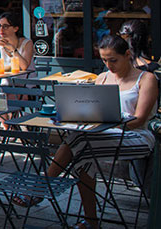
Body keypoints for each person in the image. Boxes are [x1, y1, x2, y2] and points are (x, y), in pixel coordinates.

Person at [14, 35, 158, 229]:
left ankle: (42, 188)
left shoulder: (146, 79)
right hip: (102, 135)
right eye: (104, 60)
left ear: (127, 54)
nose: (109, 65)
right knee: (81, 152)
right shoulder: (103, 78)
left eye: (113, 60)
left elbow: (139, 119)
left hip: (136, 137)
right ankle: (90, 221)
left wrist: (108, 122)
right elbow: (92, 111)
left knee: (78, 142)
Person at [0, 12, 35, 80]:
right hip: (6, 84)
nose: (1, 29)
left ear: (15, 29)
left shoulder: (27, 43)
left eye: (5, 26)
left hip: (26, 84)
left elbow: (24, 66)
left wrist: (13, 49)